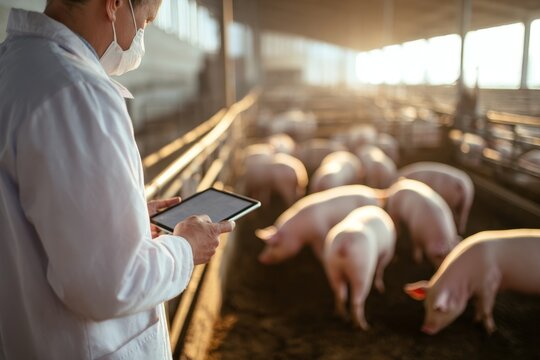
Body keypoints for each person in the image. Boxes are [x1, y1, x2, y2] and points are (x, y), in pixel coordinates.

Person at [0, 0, 234, 358]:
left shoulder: (13, 66)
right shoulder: (78, 92)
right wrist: (186, 248)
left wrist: (124, 217)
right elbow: (110, 284)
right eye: (145, 20)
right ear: (113, 5)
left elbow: (35, 212)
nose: (142, 34)